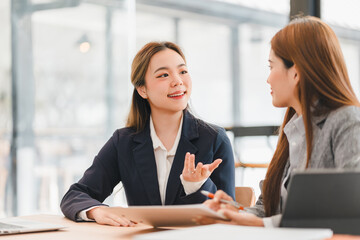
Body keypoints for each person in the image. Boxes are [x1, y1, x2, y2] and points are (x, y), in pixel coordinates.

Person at [202, 16, 360, 227]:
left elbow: (350, 212)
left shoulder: (347, 121)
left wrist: (262, 225)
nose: (268, 79)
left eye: (271, 66)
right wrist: (232, 211)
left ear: (295, 73)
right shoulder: (294, 130)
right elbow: (267, 208)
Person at [60, 41, 235, 227]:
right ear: (142, 89)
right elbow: (75, 195)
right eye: (164, 75)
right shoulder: (124, 142)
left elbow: (228, 212)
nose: (178, 81)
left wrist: (196, 186)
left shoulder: (215, 139)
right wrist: (97, 210)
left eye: (182, 71)